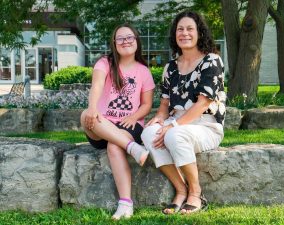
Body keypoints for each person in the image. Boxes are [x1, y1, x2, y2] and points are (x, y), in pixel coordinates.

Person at [141, 11, 226, 215]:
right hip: (176, 122)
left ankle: (196, 194)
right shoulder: (171, 67)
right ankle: (181, 190)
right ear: (175, 34)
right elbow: (164, 104)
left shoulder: (212, 61)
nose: (184, 33)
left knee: (174, 134)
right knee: (148, 133)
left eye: (190, 29)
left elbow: (202, 103)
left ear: (199, 33)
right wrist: (160, 118)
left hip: (206, 125)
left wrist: (173, 126)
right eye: (180, 29)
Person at [81, 23, 155, 219]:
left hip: (129, 125)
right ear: (114, 43)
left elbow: (147, 105)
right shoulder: (104, 63)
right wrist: (93, 108)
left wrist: (133, 117)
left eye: (129, 37)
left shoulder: (143, 71)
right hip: (103, 125)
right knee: (84, 115)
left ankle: (125, 204)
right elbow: (96, 86)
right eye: (120, 38)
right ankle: (133, 148)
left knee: (114, 147)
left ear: (137, 41)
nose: (125, 41)